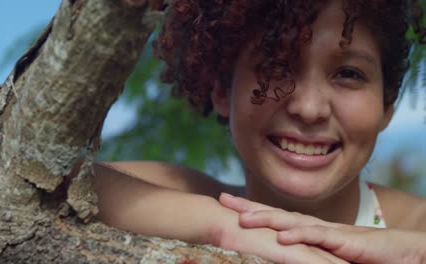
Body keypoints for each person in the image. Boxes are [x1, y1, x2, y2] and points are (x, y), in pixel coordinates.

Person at [90, 0, 426, 263]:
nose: (309, 108)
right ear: (222, 89)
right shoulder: (201, 201)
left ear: (386, 105)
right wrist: (223, 228)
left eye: (349, 74)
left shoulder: (415, 228)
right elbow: (67, 176)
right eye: (275, 66)